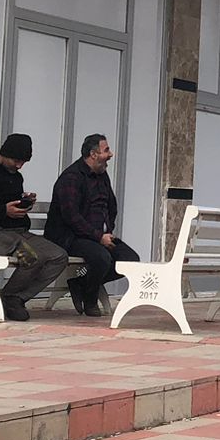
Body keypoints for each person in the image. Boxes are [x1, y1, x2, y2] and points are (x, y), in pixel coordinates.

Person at [0, 134, 69, 321]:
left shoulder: (16, 177)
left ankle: (15, 297)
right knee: (31, 257)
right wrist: (3, 210)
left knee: (59, 256)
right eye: (16, 161)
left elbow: (11, 202)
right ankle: (11, 298)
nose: (19, 166)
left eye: (23, 162)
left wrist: (24, 202)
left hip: (20, 232)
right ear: (5, 154)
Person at [46, 132, 139, 317]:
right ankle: (90, 299)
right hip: (70, 236)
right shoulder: (71, 178)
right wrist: (98, 236)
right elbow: (71, 217)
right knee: (101, 258)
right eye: (106, 150)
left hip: (96, 236)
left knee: (130, 259)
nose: (110, 154)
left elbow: (111, 206)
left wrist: (107, 231)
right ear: (93, 154)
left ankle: (80, 283)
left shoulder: (102, 176)